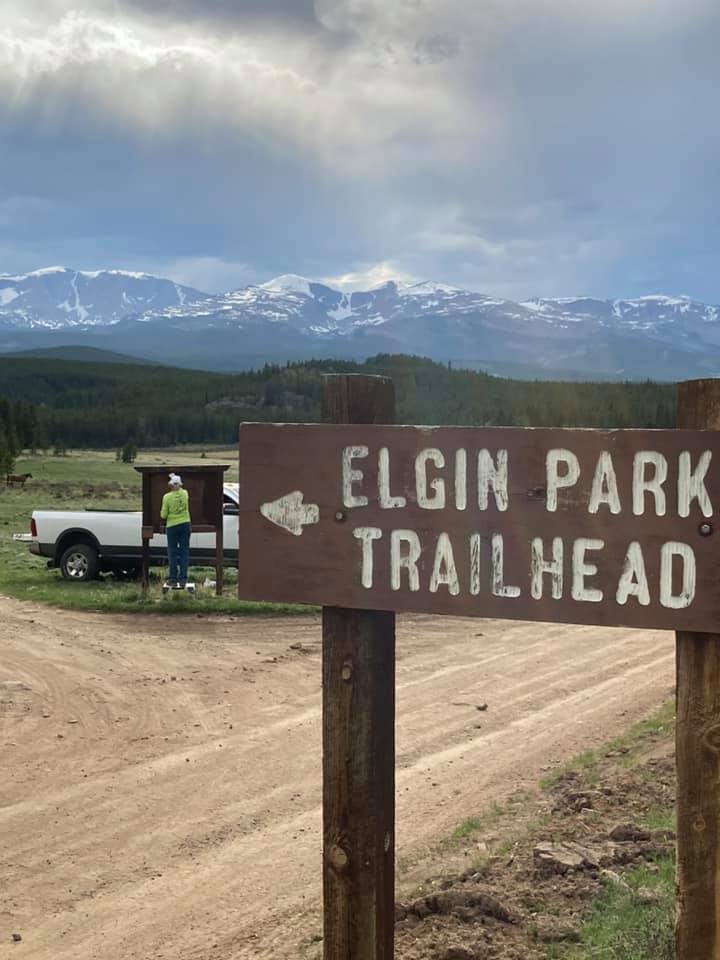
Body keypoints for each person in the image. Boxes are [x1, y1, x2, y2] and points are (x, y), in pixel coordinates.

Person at [161, 473, 191, 588]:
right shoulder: (185, 493)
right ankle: (183, 579)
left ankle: (173, 579)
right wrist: (175, 477)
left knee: (172, 553)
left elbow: (163, 515)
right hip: (185, 524)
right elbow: (181, 489)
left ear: (170, 485)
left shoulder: (166, 497)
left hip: (172, 526)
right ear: (180, 484)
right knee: (184, 553)